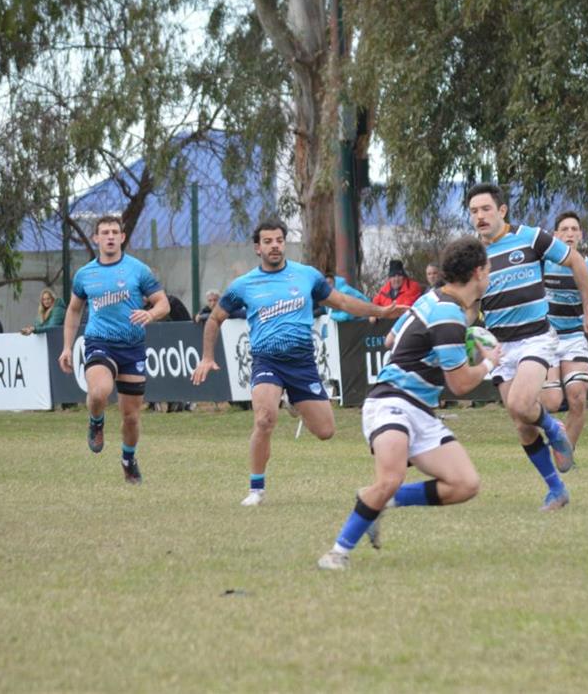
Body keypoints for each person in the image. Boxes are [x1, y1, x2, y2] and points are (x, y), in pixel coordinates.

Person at [190, 219, 405, 506]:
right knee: (264, 420)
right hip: (267, 360)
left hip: (302, 362)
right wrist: (207, 357)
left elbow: (340, 302)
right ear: (258, 248)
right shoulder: (243, 285)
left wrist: (380, 310)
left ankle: (292, 400)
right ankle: (256, 490)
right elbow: (215, 319)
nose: (275, 245)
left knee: (326, 432)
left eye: (279, 240)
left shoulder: (306, 276)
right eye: (268, 241)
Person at [317, 238, 502, 571]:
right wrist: (490, 363)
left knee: (465, 484)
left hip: (420, 409)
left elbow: (391, 339)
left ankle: (384, 503)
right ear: (477, 272)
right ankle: (337, 552)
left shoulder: (431, 299)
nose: (489, 275)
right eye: (488, 269)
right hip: (390, 401)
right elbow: (459, 384)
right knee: (390, 477)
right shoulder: (448, 315)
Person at [467, 183, 588, 510]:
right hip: (499, 345)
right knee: (521, 424)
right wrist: (464, 328)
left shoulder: (532, 237)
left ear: (501, 211)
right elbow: (471, 306)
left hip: (536, 337)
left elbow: (577, 263)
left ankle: (555, 429)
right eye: (473, 212)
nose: (479, 216)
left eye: (485, 209)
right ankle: (556, 489)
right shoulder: (474, 257)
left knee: (519, 403)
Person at [58, 215, 170, 485]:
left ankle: (128, 460)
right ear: (96, 238)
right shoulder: (85, 274)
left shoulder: (138, 270)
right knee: (99, 392)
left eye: (114, 232)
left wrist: (151, 315)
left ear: (122, 237)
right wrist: (66, 348)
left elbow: (163, 303)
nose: (109, 237)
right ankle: (96, 421)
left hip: (132, 348)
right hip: (99, 342)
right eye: (104, 232)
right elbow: (74, 310)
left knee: (131, 418)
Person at [539, 210, 588, 472]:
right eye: (565, 229)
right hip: (546, 338)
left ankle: (566, 450)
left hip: (573, 338)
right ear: (556, 235)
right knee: (549, 402)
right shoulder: (543, 262)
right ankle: (554, 429)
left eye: (574, 229)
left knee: (578, 397)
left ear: (580, 235)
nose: (570, 233)